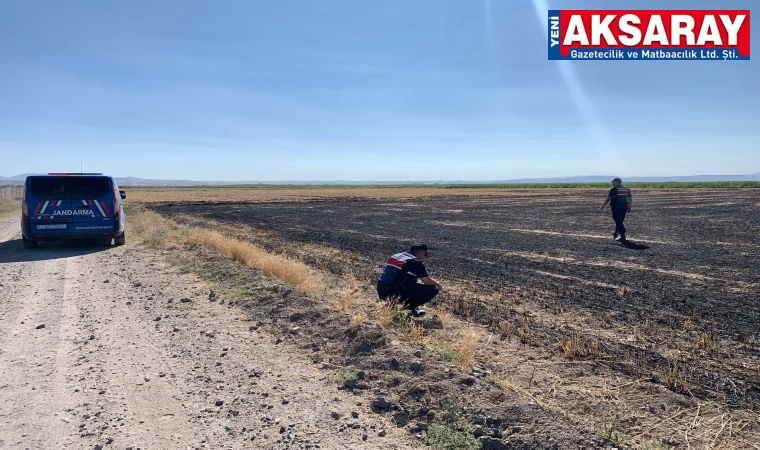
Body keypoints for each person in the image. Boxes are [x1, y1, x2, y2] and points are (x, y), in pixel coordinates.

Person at [376, 243, 443, 317]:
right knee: (434, 289)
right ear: (422, 253)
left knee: (411, 279)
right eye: (424, 255)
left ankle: (395, 305)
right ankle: (406, 307)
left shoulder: (395, 256)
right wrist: (438, 284)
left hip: (380, 288)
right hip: (393, 292)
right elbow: (427, 281)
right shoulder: (416, 263)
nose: (423, 258)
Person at [600, 178, 632, 242]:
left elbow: (609, 198)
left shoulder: (614, 189)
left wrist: (603, 205)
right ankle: (615, 234)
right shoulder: (627, 189)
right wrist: (629, 207)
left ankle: (623, 234)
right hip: (624, 206)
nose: (612, 183)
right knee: (620, 220)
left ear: (616, 182)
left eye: (613, 182)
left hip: (616, 207)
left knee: (618, 220)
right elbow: (630, 198)